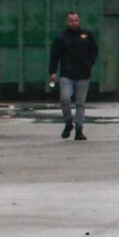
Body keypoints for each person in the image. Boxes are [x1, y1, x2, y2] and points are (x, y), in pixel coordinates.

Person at [48, 12, 98, 141]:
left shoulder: (86, 35)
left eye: (76, 20)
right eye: (71, 21)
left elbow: (94, 50)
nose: (74, 23)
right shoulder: (62, 37)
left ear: (79, 20)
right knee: (65, 99)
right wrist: (52, 72)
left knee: (80, 103)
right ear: (67, 22)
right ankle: (68, 122)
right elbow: (54, 55)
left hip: (83, 74)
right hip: (67, 74)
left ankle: (79, 129)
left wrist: (90, 63)